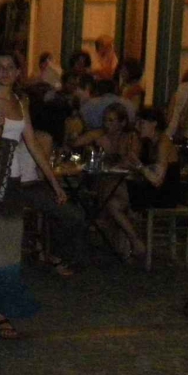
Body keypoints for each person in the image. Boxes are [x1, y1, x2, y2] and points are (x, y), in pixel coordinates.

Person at [0, 53, 72, 338]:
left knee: (0, 244)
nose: (5, 72)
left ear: (18, 72)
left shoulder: (22, 104)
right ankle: (0, 310)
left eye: (10, 68)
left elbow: (32, 144)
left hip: (12, 184)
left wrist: (54, 184)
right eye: (0, 67)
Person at [71, 103, 148, 262]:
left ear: (123, 122)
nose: (108, 124)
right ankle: (133, 239)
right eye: (106, 120)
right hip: (106, 182)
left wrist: (114, 158)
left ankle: (123, 236)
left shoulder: (131, 137)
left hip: (128, 184)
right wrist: (93, 137)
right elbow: (75, 143)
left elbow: (132, 160)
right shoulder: (100, 135)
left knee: (112, 196)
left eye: (112, 121)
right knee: (112, 196)